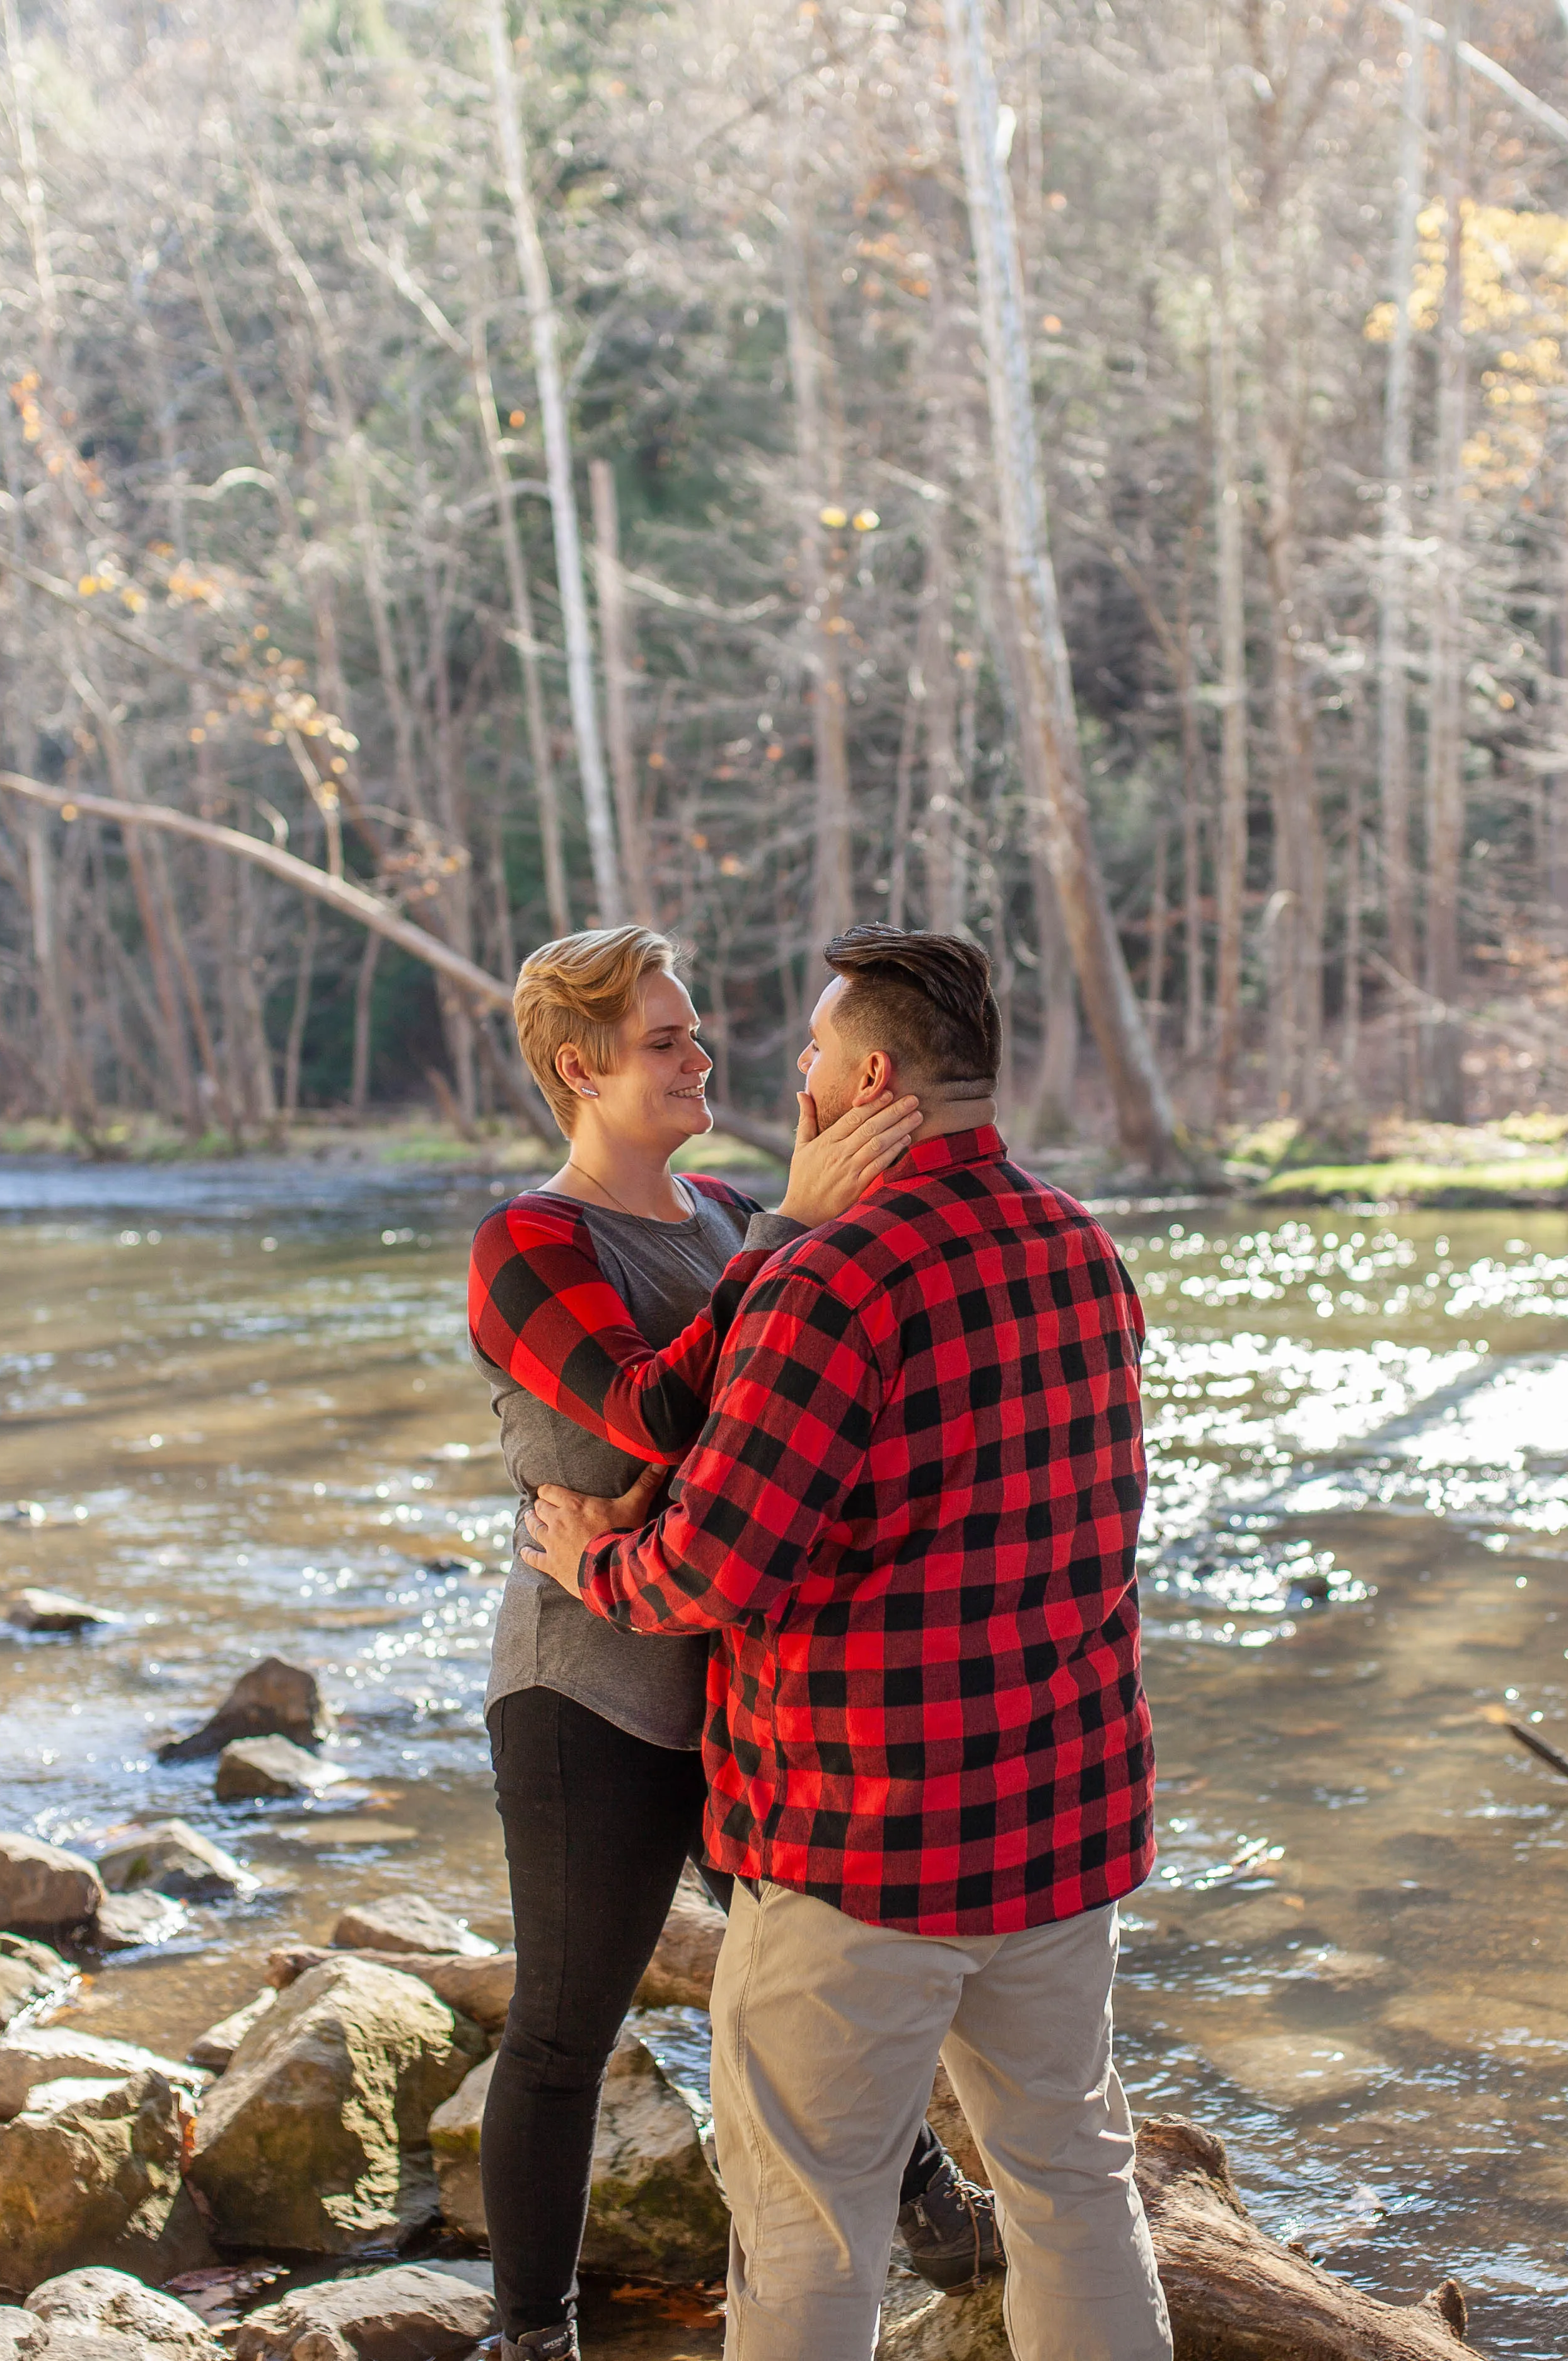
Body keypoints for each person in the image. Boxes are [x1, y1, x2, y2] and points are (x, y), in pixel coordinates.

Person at [523, 925, 1171, 2361]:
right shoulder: (1084, 1246)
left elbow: (711, 1568)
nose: (792, 1075)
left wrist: (591, 1558)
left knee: (814, 2232)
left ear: (871, 1078)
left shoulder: (830, 1282)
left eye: (813, 1052)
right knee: (1074, 2182)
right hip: (1063, 1833)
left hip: (859, 1848)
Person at [462, 925, 1003, 2361]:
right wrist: (790, 1238)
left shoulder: (724, 1215)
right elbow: (654, 1412)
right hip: (594, 1688)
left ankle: (932, 2214)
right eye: (666, 1039)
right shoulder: (529, 1241)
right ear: (579, 1068)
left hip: (750, 1682)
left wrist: (777, 1248)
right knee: (569, 2022)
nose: (705, 1056)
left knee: (811, 1976)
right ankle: (534, 2334)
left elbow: (760, 1419)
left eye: (697, 1032)